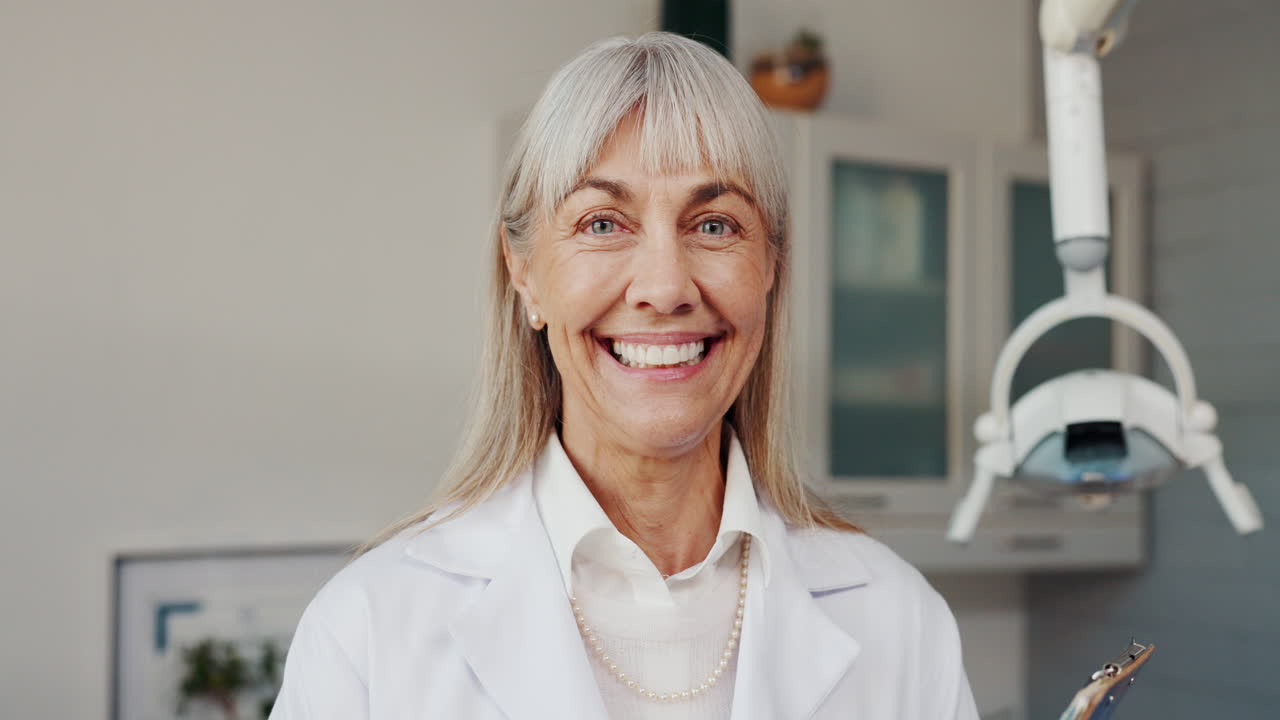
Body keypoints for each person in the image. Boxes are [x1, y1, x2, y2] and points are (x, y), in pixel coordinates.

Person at [270, 32, 980, 720]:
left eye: (714, 225)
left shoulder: (901, 622)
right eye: (603, 224)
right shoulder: (368, 632)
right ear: (524, 273)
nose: (665, 287)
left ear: (771, 266)